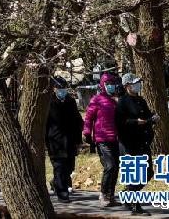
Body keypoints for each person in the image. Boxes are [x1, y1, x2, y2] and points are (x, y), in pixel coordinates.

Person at [116, 73, 157, 216]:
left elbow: (146, 116)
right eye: (134, 83)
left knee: (148, 172)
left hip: (143, 141)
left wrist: (152, 118)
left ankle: (128, 193)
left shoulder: (141, 100)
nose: (137, 85)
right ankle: (135, 206)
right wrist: (135, 122)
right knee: (134, 175)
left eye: (138, 82)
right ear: (127, 86)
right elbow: (120, 123)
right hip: (129, 143)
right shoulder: (122, 102)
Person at [83, 72, 121, 207]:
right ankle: (103, 194)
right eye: (107, 84)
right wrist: (87, 133)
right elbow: (88, 117)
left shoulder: (115, 101)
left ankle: (111, 195)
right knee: (109, 166)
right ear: (102, 85)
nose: (110, 86)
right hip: (102, 138)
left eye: (112, 84)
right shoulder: (96, 99)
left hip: (115, 139)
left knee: (116, 167)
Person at [46, 77, 83, 203]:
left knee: (69, 167)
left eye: (64, 88)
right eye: (59, 88)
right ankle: (63, 194)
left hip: (70, 140)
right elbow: (45, 125)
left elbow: (78, 121)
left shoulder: (70, 101)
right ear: (54, 89)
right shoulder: (49, 103)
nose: (62, 91)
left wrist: (79, 140)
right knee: (59, 167)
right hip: (55, 141)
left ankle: (55, 182)